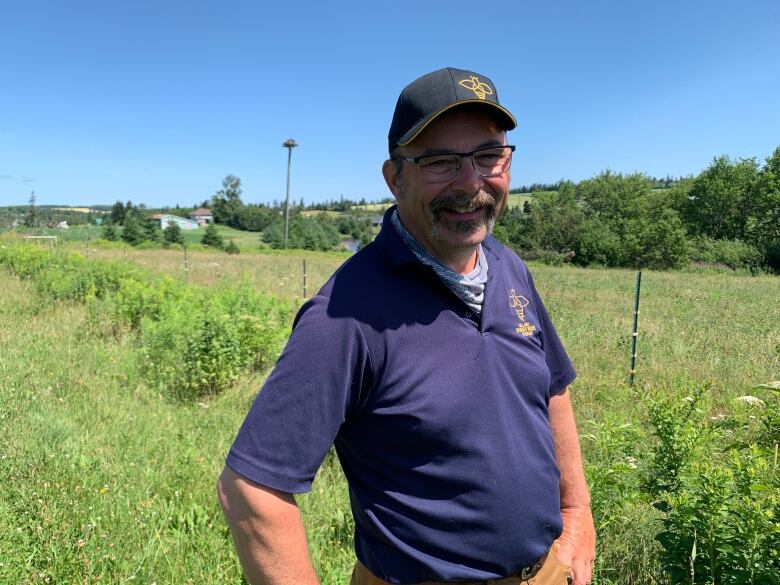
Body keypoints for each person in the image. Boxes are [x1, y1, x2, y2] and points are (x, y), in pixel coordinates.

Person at [217, 67, 596, 585]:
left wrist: (576, 517)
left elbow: (553, 388)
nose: (471, 183)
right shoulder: (345, 314)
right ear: (395, 177)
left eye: (489, 156)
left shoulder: (509, 267)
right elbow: (251, 487)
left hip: (546, 572)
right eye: (440, 161)